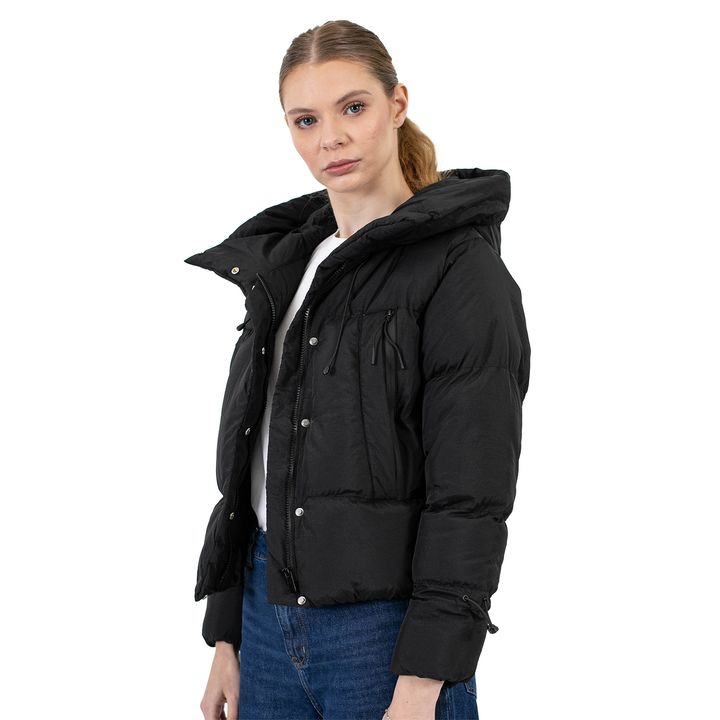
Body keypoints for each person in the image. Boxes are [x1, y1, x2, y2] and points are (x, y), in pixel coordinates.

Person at [186, 19, 531, 720]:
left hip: (384, 633)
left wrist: (426, 675)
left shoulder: (462, 272)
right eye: (305, 120)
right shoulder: (288, 266)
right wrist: (228, 629)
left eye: (353, 107)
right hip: (263, 616)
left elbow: (471, 494)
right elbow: (255, 456)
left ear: (397, 104)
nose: (331, 139)